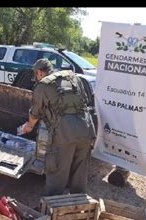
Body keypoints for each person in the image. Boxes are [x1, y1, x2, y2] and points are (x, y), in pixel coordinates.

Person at [21, 59, 96, 196]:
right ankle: (77, 208)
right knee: (79, 174)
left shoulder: (43, 85)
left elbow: (35, 113)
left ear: (39, 73)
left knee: (57, 173)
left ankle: (52, 209)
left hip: (64, 134)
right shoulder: (73, 77)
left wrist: (29, 126)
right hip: (86, 129)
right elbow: (86, 100)